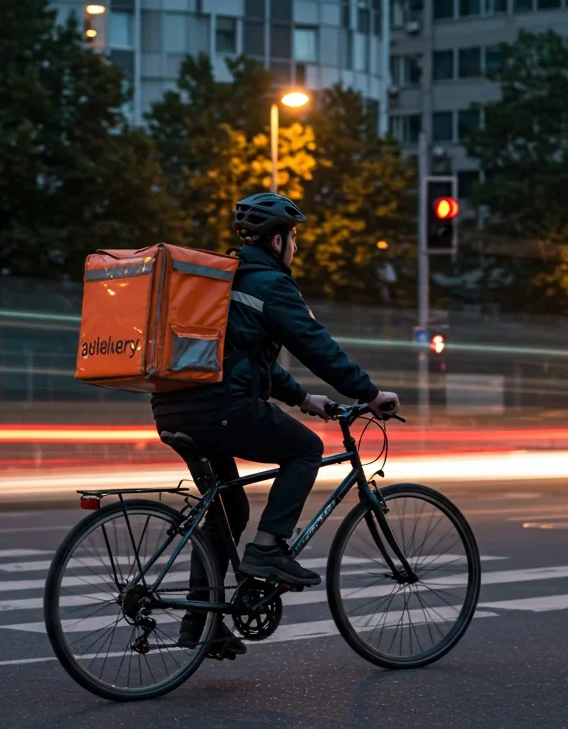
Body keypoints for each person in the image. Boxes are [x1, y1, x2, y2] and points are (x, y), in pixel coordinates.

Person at [150, 192, 400, 659]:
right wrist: (369, 394)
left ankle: (201, 624)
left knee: (229, 510)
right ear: (280, 239)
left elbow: (243, 359)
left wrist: (305, 398)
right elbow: (315, 345)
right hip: (221, 408)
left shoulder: (222, 283)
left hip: (172, 407)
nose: (296, 248)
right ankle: (268, 549)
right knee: (304, 450)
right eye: (295, 239)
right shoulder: (270, 284)